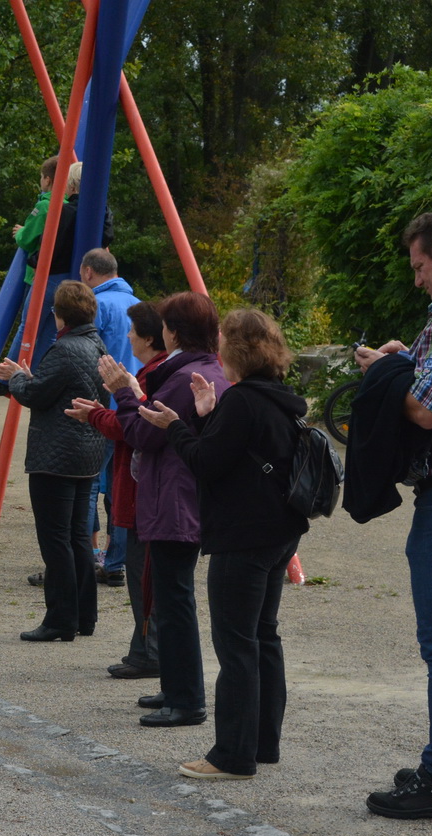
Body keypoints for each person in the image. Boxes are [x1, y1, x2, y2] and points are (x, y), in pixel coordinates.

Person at [131, 309, 308, 781]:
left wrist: (176, 425)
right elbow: (234, 454)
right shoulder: (281, 398)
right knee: (264, 637)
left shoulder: (243, 400)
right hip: (278, 531)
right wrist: (208, 415)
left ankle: (232, 754)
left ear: (237, 352)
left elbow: (205, 463)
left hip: (243, 535)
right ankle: (262, 741)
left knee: (236, 645)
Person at [353, 210, 432, 821]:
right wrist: (405, 360)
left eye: (420, 265)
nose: (416, 278)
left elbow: (430, 408)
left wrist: (382, 373)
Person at [114, 291, 227, 727]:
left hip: (174, 501)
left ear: (174, 331)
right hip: (181, 498)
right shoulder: (200, 369)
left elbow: (143, 434)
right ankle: (176, 687)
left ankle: (186, 699)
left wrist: (125, 394)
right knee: (171, 597)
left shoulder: (184, 377)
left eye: (164, 324)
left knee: (175, 600)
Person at [0, 280, 106, 642]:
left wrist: (17, 379)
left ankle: (59, 619)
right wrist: (28, 377)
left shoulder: (65, 348)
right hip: (87, 451)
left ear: (60, 315)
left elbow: (38, 395)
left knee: (55, 539)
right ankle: (84, 615)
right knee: (77, 536)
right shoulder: (95, 344)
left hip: (56, 455)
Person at [69, 301, 164, 680]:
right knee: (142, 576)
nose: (127, 337)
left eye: (132, 331)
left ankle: (150, 652)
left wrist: (97, 413)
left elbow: (136, 427)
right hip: (144, 493)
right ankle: (141, 648)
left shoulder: (159, 374)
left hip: (146, 494)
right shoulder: (153, 372)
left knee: (148, 579)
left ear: (149, 337)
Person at [80, 249, 141, 583]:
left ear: (88, 273)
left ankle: (87, 556)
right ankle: (116, 561)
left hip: (104, 407)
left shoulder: (97, 306)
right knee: (120, 488)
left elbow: (89, 357)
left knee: (89, 484)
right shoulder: (139, 306)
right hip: (134, 407)